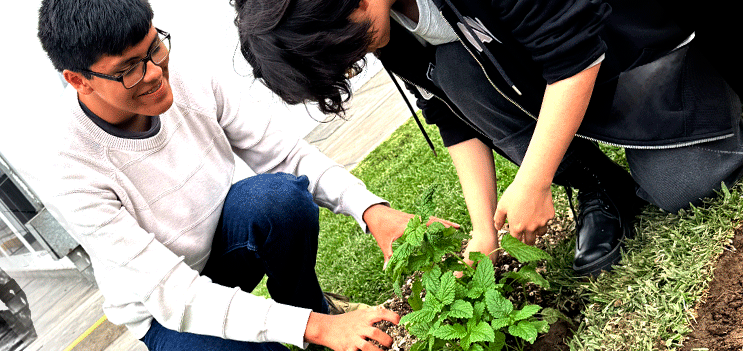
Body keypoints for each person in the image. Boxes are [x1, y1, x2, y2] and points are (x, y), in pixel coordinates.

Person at [36, 0, 457, 350]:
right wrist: (311, 328)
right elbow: (175, 295)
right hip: (165, 309)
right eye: (128, 69)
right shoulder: (69, 169)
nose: (154, 73)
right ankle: (315, 325)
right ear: (78, 80)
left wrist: (371, 211)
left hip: (228, 245)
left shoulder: (187, 74)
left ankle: (315, 309)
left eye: (154, 47)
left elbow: (284, 154)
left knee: (279, 198)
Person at [233, 0, 743, 276]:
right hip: (560, 77)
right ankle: (600, 185)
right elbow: (451, 115)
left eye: (342, 50)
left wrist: (533, 181)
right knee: (454, 72)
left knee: (684, 187)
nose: (352, 61)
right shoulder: (386, 27)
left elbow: (575, 55)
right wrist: (484, 234)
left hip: (635, 49)